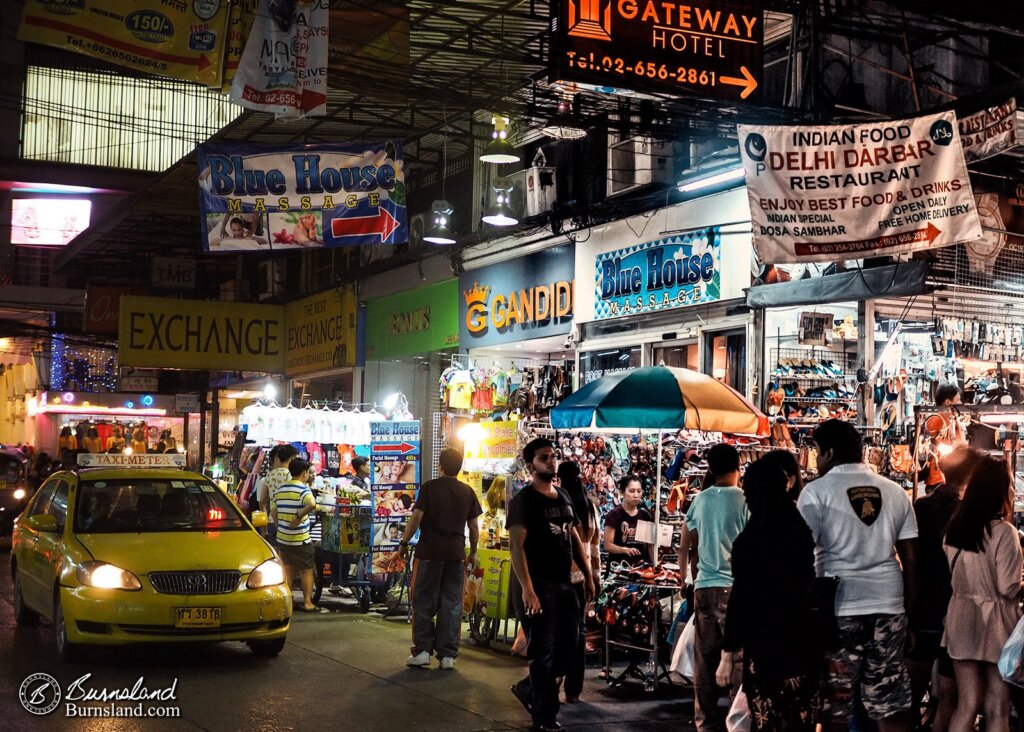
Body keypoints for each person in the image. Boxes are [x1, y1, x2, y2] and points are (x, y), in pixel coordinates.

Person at [796, 419, 918, 732]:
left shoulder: (815, 492)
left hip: (839, 608)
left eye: (818, 452)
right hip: (889, 603)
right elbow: (910, 561)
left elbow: (800, 556)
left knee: (835, 702)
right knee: (889, 699)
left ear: (830, 452)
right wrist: (910, 614)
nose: (816, 459)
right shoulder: (895, 492)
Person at [717, 457, 818, 731]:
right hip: (802, 644)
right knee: (799, 720)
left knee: (767, 720)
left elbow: (742, 597)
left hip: (765, 648)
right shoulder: (799, 530)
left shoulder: (752, 539)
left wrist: (728, 652)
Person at [508, 438, 595, 732]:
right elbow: (516, 548)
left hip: (566, 584)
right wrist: (527, 589)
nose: (551, 461)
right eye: (544, 457)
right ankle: (544, 717)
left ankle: (529, 689)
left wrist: (588, 573)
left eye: (553, 456)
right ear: (531, 465)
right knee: (542, 652)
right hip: (539, 584)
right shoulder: (524, 501)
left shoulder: (563, 496)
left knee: (568, 649)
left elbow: (574, 537)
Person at [943, 454, 1023, 732]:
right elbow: (1007, 586)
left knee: (966, 704)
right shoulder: (1004, 533)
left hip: (961, 619)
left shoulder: (955, 528)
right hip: (996, 625)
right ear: (1001, 490)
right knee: (997, 706)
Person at [906, 445, 981, 732]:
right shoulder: (967, 513)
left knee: (911, 694)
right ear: (972, 476)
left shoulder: (921, 507)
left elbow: (910, 557)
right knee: (951, 697)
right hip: (955, 609)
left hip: (924, 605)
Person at [678, 443, 749, 732]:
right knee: (738, 658)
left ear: (710, 469)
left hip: (703, 588)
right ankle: (737, 720)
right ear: (738, 467)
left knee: (705, 660)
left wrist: (686, 576)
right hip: (734, 588)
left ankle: (705, 723)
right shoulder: (746, 500)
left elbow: (685, 543)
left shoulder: (701, 499)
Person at [392, 447, 482, 670]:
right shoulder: (467, 491)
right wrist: (473, 552)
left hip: (429, 553)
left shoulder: (429, 488)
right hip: (455, 555)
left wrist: (402, 544)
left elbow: (416, 517)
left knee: (423, 601)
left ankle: (422, 651)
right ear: (459, 468)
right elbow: (473, 526)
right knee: (451, 604)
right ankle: (447, 655)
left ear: (440, 466)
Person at [558, 460, 601, 704]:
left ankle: (554, 681)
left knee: (558, 631)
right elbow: (594, 548)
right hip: (582, 580)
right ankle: (573, 691)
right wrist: (594, 578)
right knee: (579, 633)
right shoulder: (590, 508)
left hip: (562, 577)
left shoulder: (562, 505)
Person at [271, 458, 322, 612]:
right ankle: (307, 602)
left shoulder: (280, 490)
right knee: (306, 570)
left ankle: (287, 602)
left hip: (283, 538)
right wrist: (299, 516)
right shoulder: (304, 490)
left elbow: (273, 510)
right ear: (304, 473)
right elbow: (312, 504)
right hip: (300, 539)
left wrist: (279, 525)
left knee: (287, 570)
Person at [329, 456, 370, 596]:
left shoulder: (363, 482)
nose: (371, 467)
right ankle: (342, 580)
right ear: (362, 467)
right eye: (368, 464)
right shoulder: (356, 484)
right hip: (355, 524)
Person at [603, 474, 655, 567]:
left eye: (639, 491)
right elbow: (608, 545)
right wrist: (625, 550)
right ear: (622, 492)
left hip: (642, 568)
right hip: (619, 567)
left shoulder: (645, 515)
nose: (636, 495)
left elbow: (650, 545)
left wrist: (655, 565)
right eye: (632, 491)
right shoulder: (614, 515)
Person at [257, 444, 300, 543]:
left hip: (272, 520)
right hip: (287, 520)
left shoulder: (269, 475)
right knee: (288, 552)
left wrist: (264, 529)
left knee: (276, 551)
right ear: (292, 458)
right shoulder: (290, 475)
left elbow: (262, 501)